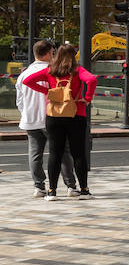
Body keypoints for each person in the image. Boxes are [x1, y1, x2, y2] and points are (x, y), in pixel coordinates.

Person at [21, 43, 97, 199]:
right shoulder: (77, 70)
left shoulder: (50, 70)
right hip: (76, 114)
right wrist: (87, 98)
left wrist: (48, 92)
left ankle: (52, 191)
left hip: (54, 116)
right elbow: (92, 80)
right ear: (73, 56)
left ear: (57, 55)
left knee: (55, 153)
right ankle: (83, 190)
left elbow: (27, 81)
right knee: (78, 154)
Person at [16, 41, 78, 198]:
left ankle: (39, 186)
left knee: (35, 154)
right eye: (53, 52)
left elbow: (20, 100)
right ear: (49, 53)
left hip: (30, 119)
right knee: (62, 152)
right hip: (52, 118)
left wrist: (26, 113)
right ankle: (70, 185)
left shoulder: (24, 74)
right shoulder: (53, 71)